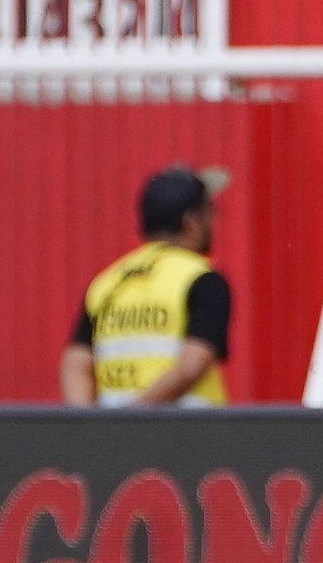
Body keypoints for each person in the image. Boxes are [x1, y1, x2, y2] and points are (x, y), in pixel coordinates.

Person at [60, 167, 231, 407]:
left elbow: (76, 362)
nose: (213, 220)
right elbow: (193, 365)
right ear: (190, 223)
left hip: (117, 439)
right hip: (189, 435)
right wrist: (136, 417)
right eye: (209, 211)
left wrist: (91, 425)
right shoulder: (202, 279)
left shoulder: (109, 281)